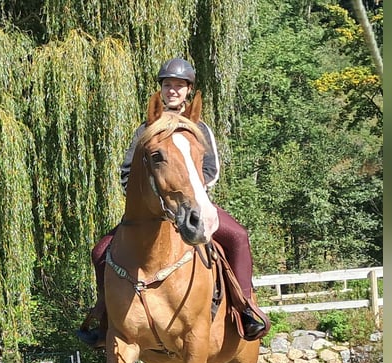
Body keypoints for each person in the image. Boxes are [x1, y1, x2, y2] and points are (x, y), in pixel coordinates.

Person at [77, 58, 267, 347]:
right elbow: (128, 172)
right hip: (153, 209)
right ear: (161, 90)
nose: (173, 91)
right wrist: (152, 199)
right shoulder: (146, 129)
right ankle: (105, 318)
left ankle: (245, 306)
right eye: (168, 86)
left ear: (188, 90)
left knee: (238, 236)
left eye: (179, 86)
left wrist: (189, 195)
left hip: (193, 204)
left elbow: (210, 170)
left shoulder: (197, 126)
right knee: (101, 250)